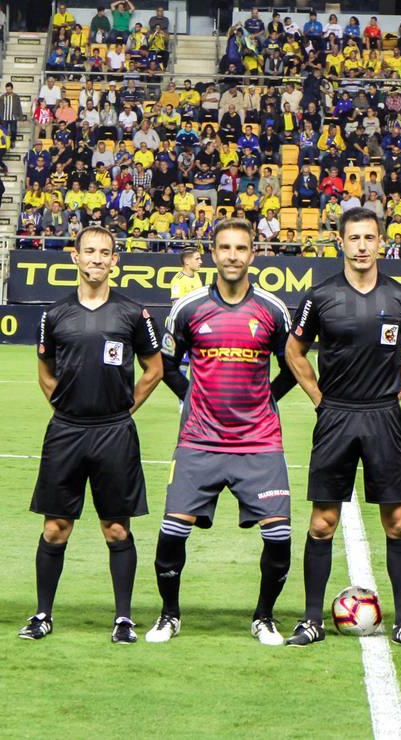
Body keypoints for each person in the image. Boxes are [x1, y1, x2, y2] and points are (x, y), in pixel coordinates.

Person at [147, 218, 297, 646]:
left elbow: (293, 368)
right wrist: (188, 395)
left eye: (241, 248)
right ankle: (169, 615)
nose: (233, 256)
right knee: (173, 528)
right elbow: (166, 365)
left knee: (279, 534)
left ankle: (264, 617)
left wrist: (266, 400)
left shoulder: (271, 311)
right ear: (213, 253)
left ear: (252, 254)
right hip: (199, 440)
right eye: (225, 248)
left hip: (259, 442)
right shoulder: (189, 308)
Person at [282, 208, 401, 648]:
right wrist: (319, 398)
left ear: (380, 241)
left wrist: (392, 394)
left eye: (369, 238)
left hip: (383, 417)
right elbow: (294, 350)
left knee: (398, 522)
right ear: (340, 242)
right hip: (336, 417)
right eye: (354, 238)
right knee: (322, 522)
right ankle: (310, 619)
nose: (362, 246)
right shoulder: (320, 297)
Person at [20, 226, 164, 644]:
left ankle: (123, 619)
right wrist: (63, 406)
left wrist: (125, 407)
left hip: (114, 433)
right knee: (55, 528)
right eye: (90, 251)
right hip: (65, 432)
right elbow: (45, 371)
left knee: (116, 528)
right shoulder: (55, 315)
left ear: (115, 260)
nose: (97, 259)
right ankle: (42, 614)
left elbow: (155, 368)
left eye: (105, 252)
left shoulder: (133, 314)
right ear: (75, 258)